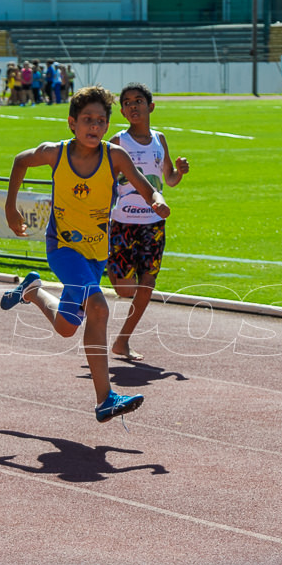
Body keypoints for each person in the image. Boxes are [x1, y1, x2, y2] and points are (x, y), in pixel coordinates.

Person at [0, 85, 170, 423]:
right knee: (99, 307)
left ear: (107, 126)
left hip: (96, 254)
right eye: (87, 120)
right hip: (62, 247)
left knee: (66, 327)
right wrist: (10, 208)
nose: (94, 126)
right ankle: (105, 399)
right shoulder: (56, 153)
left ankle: (32, 291)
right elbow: (21, 160)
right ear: (71, 123)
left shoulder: (114, 156)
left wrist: (157, 200)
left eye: (100, 121)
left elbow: (143, 185)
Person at [107, 83, 189, 360]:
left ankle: (123, 340)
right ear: (122, 111)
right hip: (123, 222)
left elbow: (169, 180)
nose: (133, 106)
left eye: (138, 101)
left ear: (150, 106)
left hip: (153, 223)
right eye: (127, 102)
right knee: (124, 290)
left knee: (147, 284)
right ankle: (106, 271)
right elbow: (107, 182)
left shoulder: (159, 139)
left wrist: (179, 172)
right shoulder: (117, 142)